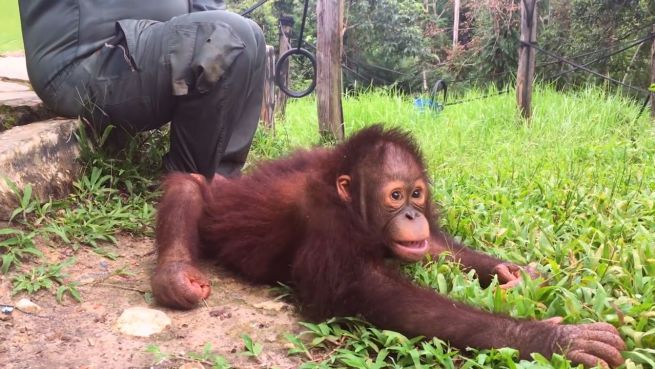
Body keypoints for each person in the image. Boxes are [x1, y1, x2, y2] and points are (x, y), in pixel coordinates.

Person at [18, 0, 266, 178]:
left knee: (251, 33)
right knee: (228, 34)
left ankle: (222, 178)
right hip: (84, 63)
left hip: (140, 44)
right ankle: (185, 188)